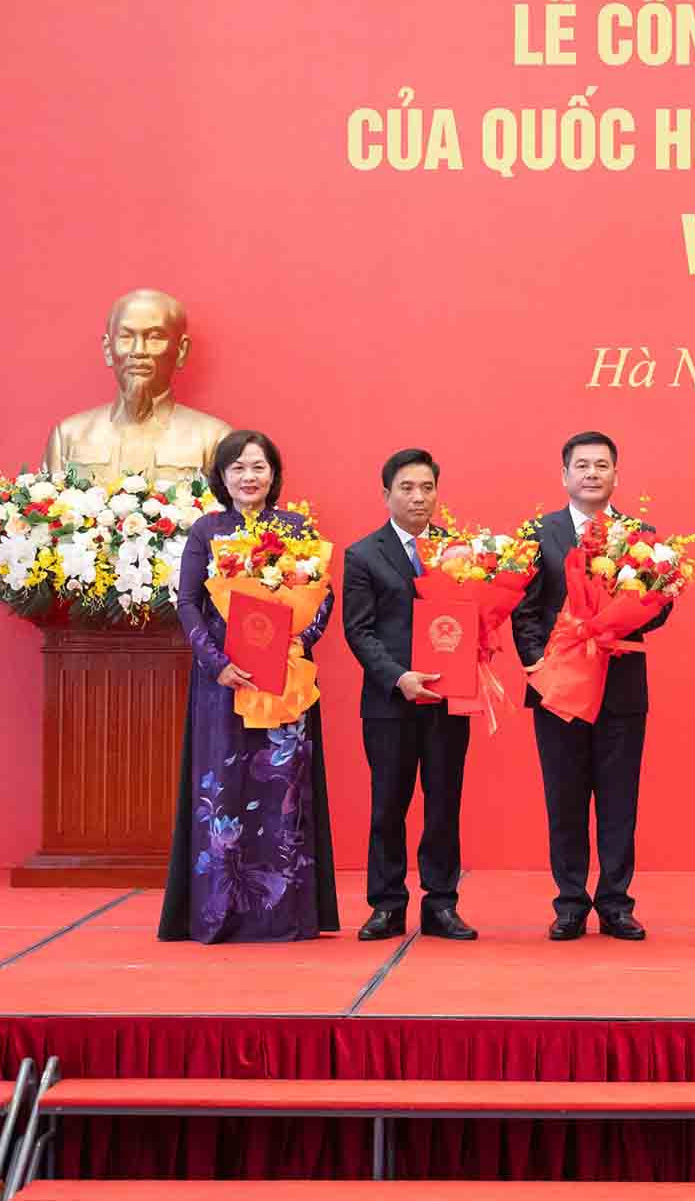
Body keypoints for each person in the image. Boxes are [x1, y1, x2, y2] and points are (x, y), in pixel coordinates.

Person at [159, 430, 338, 943]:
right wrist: (216, 663)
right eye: (237, 468)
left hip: (285, 683)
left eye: (258, 467)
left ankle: (284, 915)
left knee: (283, 791)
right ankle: (221, 914)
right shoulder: (206, 532)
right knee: (225, 789)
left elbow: (322, 598)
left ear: (274, 474)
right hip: (226, 685)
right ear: (221, 477)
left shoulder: (297, 529)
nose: (248, 477)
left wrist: (298, 641)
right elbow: (188, 602)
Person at [511, 431, 671, 942]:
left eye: (602, 465)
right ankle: (571, 903)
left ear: (616, 475)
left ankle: (617, 904)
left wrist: (619, 625)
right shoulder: (539, 533)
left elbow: (659, 605)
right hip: (557, 690)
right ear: (564, 475)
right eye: (582, 465)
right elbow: (523, 608)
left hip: (620, 686)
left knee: (620, 799)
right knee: (565, 797)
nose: (592, 473)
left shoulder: (639, 534)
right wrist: (538, 665)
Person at [341, 448, 477, 942]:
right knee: (387, 805)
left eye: (426, 488)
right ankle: (387, 905)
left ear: (437, 493)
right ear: (386, 495)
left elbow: (472, 620)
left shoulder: (459, 553)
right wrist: (399, 677)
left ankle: (442, 904)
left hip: (446, 701)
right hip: (389, 703)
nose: (418, 497)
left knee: (444, 803)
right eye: (407, 488)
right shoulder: (363, 554)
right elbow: (359, 631)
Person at [42, 288, 232, 484]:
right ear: (108, 349)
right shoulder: (68, 436)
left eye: (155, 337)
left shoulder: (213, 439)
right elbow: (45, 510)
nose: (138, 351)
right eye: (126, 337)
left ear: (181, 350)